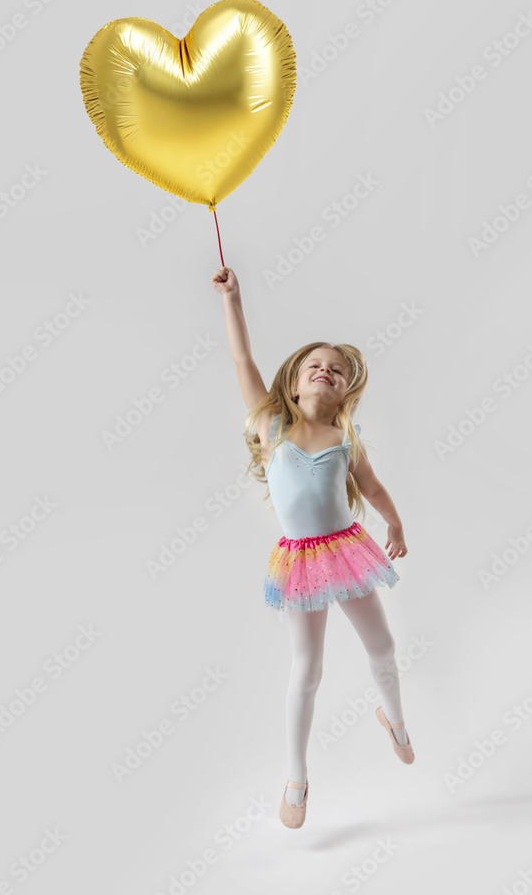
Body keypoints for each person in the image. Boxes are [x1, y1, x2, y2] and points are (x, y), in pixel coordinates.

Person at [211, 265, 414, 829]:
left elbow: (371, 489)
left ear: (345, 387)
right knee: (307, 670)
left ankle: (393, 718)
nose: (325, 371)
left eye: (337, 369)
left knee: (384, 645)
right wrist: (234, 300)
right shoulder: (272, 425)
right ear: (295, 383)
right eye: (314, 365)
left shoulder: (346, 440)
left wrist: (395, 525)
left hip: (347, 550)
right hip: (300, 561)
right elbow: (242, 362)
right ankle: (296, 778)